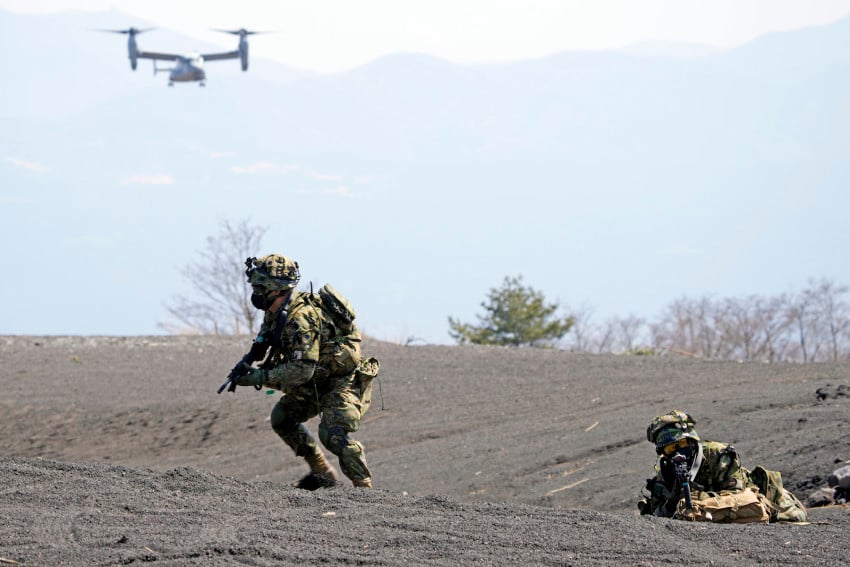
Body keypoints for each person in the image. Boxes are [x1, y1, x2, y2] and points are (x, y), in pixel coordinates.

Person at [227, 254, 376, 489]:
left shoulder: (300, 320)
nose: (255, 292)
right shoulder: (276, 311)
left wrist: (260, 378)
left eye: (260, 286)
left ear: (276, 289)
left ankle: (365, 491)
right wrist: (249, 360)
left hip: (342, 380)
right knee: (282, 418)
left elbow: (302, 371)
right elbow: (266, 339)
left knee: (333, 434)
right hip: (317, 379)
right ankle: (323, 473)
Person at [638, 409, 807, 522]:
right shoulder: (665, 473)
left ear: (691, 441)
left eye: (682, 444)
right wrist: (674, 497)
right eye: (671, 448)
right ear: (664, 453)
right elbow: (657, 515)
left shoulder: (717, 455)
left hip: (768, 503)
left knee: (793, 519)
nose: (678, 452)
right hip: (716, 515)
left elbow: (739, 495)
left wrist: (698, 498)